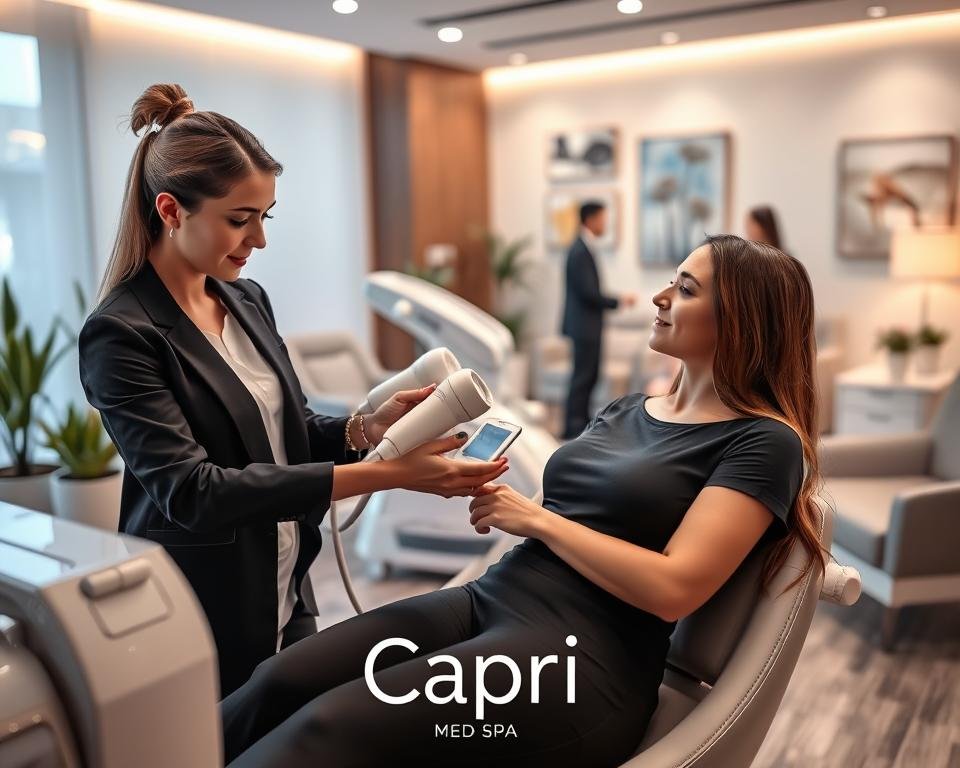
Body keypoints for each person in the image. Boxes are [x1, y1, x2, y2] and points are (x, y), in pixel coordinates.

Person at [220, 234, 826, 768]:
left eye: (686, 290)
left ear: (741, 319)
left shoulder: (763, 442)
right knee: (280, 679)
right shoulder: (625, 409)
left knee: (332, 727)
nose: (660, 297)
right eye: (672, 282)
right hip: (493, 598)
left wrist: (536, 519)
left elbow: (676, 587)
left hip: (580, 660)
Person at [78, 84, 507, 697]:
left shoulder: (246, 300)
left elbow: (290, 433)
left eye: (264, 217)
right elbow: (192, 492)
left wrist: (368, 429)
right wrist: (388, 475)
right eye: (239, 220)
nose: (259, 241)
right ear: (171, 211)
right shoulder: (121, 334)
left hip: (286, 581)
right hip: (202, 602)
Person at [560, 200, 635, 439]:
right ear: (590, 219)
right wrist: (619, 301)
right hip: (584, 327)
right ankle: (573, 428)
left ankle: (580, 425)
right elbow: (588, 293)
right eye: (603, 219)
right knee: (582, 378)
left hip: (588, 326)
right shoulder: (580, 249)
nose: (605, 224)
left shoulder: (585, 247)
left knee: (589, 377)